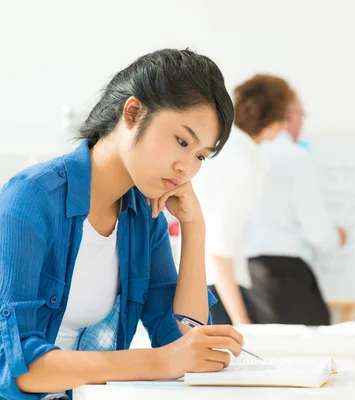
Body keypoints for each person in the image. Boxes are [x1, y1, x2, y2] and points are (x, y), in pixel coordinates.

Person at [0, 49, 245, 400]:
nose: (186, 169)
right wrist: (159, 363)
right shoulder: (30, 199)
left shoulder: (144, 216)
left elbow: (180, 341)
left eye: (200, 156)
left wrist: (195, 228)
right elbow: (13, 365)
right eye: (181, 141)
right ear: (132, 113)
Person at [193, 74, 296, 325]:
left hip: (206, 281)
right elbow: (219, 247)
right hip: (215, 287)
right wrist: (242, 323)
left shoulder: (225, 148)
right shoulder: (243, 161)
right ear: (274, 121)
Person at [244, 93, 347, 325]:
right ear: (289, 116)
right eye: (302, 114)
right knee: (309, 353)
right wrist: (335, 238)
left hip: (247, 275)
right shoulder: (297, 157)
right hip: (286, 276)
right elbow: (318, 231)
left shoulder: (247, 154)